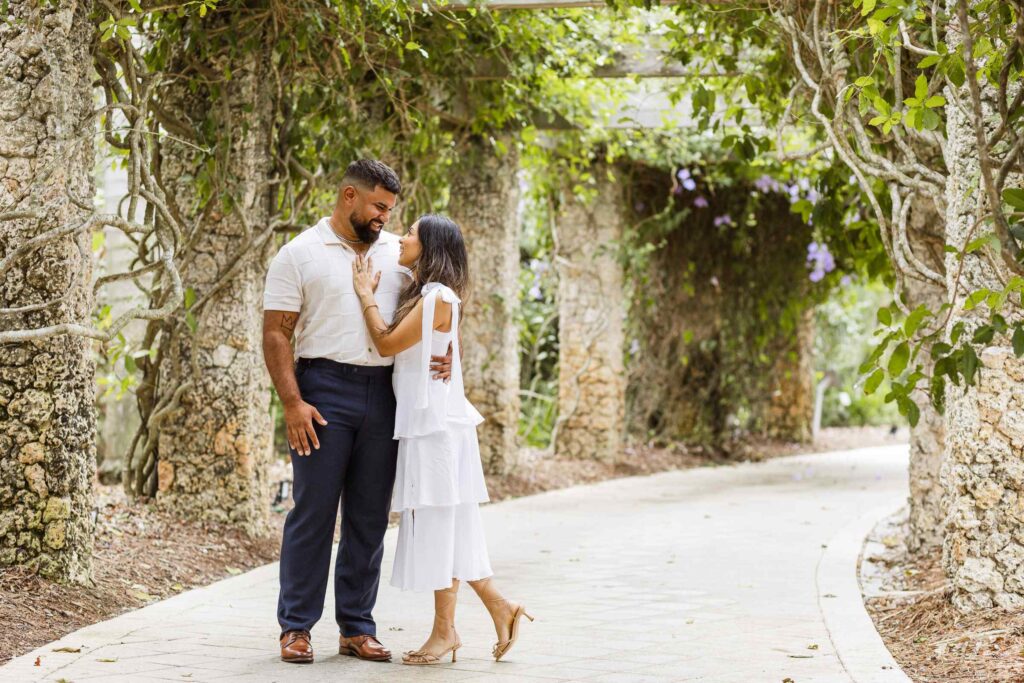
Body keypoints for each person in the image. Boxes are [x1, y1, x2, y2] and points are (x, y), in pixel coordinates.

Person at [262, 160, 452, 664]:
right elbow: (276, 332)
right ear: (349, 195)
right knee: (314, 511)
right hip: (321, 390)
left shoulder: (400, 255)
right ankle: (296, 627)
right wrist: (292, 402)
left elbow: (437, 306)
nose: (385, 218)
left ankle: (357, 627)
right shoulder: (299, 253)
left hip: (386, 394)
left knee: (369, 517)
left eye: (391, 210)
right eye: (378, 206)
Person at [352, 214, 533, 666]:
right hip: (430, 424)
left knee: (438, 527)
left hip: (434, 430)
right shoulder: (432, 295)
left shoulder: (438, 297)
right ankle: (497, 609)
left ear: (430, 246)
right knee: (449, 530)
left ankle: (445, 631)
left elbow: (387, 344)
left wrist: (364, 296)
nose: (403, 238)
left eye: (411, 233)